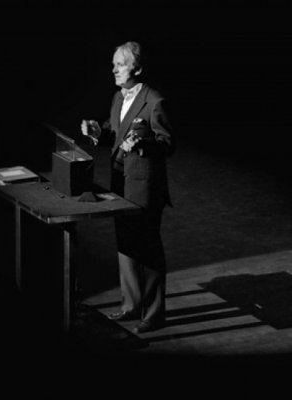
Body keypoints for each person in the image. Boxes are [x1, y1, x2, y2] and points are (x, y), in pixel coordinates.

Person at [81, 41, 175, 334]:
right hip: (120, 184)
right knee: (126, 245)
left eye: (120, 64)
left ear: (138, 68)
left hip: (145, 188)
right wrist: (98, 131)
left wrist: (143, 145)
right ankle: (131, 305)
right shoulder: (117, 98)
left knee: (147, 249)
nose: (114, 69)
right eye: (113, 64)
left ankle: (154, 313)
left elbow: (167, 144)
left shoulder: (154, 101)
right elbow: (115, 133)